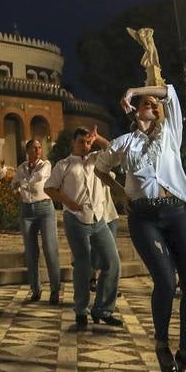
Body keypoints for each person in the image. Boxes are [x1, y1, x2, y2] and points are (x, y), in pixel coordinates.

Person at [109, 84, 186, 372]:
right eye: (145, 103)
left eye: (155, 104)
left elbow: (171, 91)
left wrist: (133, 90)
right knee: (166, 281)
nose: (152, 105)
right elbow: (102, 167)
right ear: (135, 111)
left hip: (175, 213)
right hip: (144, 218)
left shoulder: (170, 133)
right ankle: (162, 344)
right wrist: (122, 192)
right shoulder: (124, 142)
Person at [46, 126, 122, 332]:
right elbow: (49, 188)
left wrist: (99, 139)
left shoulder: (97, 158)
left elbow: (116, 152)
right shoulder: (63, 165)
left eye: (88, 142)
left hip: (99, 219)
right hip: (76, 220)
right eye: (82, 142)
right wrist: (67, 202)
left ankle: (103, 310)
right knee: (83, 266)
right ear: (73, 142)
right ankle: (81, 310)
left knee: (112, 262)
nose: (85, 146)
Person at [15, 139, 61, 305]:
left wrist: (22, 183)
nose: (38, 150)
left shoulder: (45, 164)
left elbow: (38, 177)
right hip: (27, 210)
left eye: (40, 147)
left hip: (44, 208)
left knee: (50, 248)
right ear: (27, 150)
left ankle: (55, 289)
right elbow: (14, 183)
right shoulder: (21, 167)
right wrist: (18, 186)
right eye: (34, 148)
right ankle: (35, 288)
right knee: (31, 251)